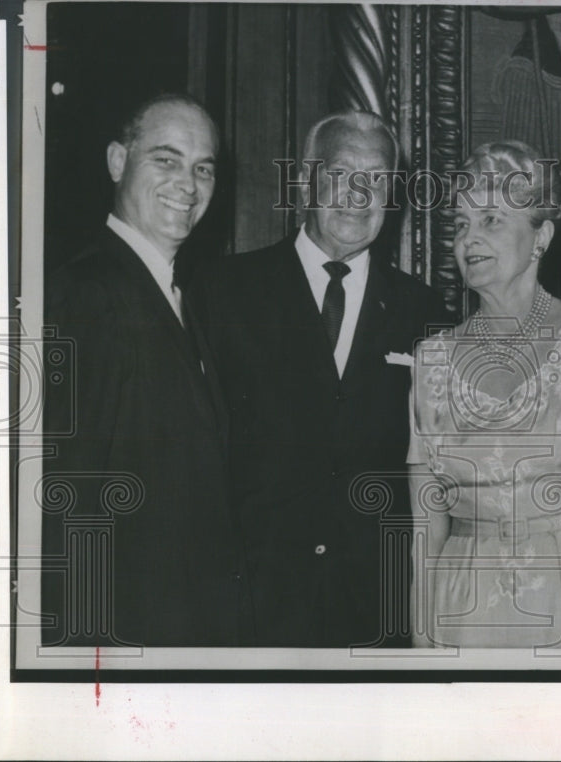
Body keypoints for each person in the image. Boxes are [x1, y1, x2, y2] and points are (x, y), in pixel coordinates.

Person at [190, 111, 447, 648]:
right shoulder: (223, 292)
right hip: (254, 610)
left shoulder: (421, 310)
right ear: (307, 179)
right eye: (342, 172)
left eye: (376, 178)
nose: (359, 193)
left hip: (377, 614)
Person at [409, 141, 561, 648]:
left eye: (491, 219)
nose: (470, 238)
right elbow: (424, 530)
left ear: (542, 236)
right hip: (463, 610)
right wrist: (421, 635)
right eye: (460, 224)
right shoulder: (430, 360)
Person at [42, 93, 254, 647]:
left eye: (202, 167)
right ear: (118, 161)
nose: (187, 183)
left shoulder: (176, 294)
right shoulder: (88, 295)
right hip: (124, 636)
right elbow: (65, 500)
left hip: (177, 625)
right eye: (166, 159)